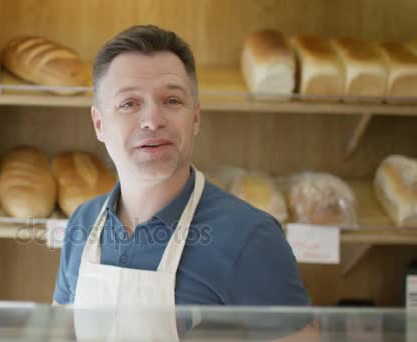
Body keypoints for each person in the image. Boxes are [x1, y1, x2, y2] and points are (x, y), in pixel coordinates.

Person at [53, 24, 310, 309]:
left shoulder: (251, 238)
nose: (152, 120)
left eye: (172, 100)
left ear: (196, 117)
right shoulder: (83, 222)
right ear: (99, 124)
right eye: (129, 103)